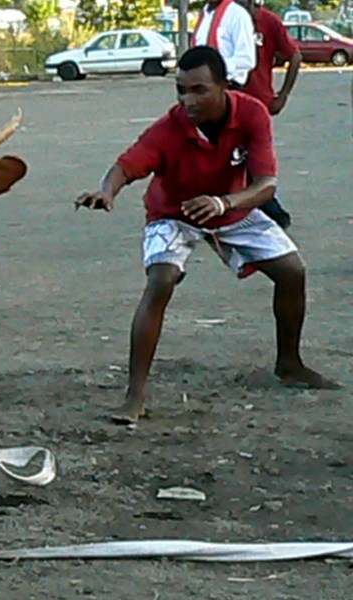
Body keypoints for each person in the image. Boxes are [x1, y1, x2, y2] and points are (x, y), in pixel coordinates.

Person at [75, 46, 339, 425]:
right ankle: (135, 396)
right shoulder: (170, 128)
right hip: (174, 214)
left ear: (224, 86)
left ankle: (289, 363)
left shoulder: (251, 113)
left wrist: (224, 203)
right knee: (160, 279)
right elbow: (127, 164)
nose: (188, 100)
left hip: (233, 207)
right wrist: (107, 191)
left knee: (293, 271)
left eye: (199, 90)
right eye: (181, 90)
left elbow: (266, 185)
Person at [237, 0, 302, 229]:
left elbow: (294, 55)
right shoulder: (227, 19)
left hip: (259, 103)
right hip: (229, 100)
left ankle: (268, 205)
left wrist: (283, 95)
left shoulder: (268, 21)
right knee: (231, 153)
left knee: (257, 156)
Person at [192, 0, 257, 90]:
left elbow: (247, 59)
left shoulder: (238, 15)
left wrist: (215, 66)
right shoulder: (203, 15)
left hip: (227, 85)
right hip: (201, 84)